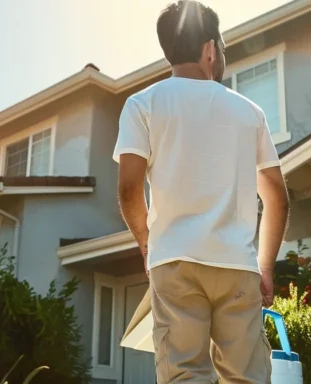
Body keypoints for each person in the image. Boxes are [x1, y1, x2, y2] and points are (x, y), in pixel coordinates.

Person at [113, 1, 290, 383]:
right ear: (210, 50)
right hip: (236, 267)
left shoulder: (142, 105)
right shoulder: (250, 112)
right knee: (247, 377)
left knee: (185, 375)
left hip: (174, 262)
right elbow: (276, 195)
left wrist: (148, 245)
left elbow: (129, 190)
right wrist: (265, 267)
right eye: (223, 48)